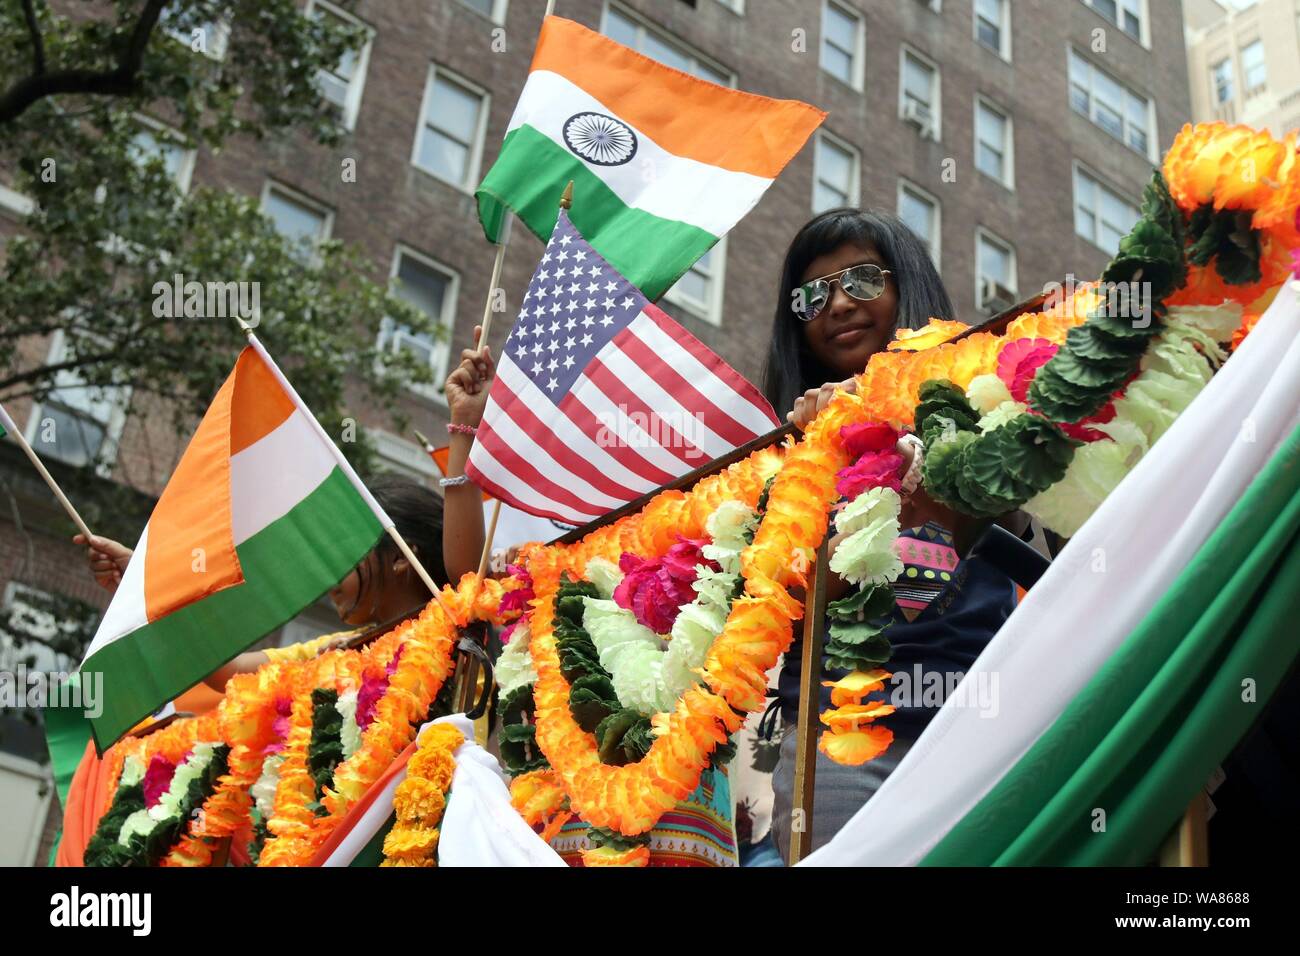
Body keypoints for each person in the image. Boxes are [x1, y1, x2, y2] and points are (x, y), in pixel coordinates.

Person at [761, 208, 1022, 862]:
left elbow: (926, 563)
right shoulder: (784, 456)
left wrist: (871, 425)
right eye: (813, 294)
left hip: (975, 729)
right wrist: (832, 449)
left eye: (862, 279)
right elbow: (813, 593)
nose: (839, 303)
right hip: (839, 740)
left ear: (906, 286)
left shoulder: (981, 396)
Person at [441, 328, 740, 866]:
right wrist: (466, 428)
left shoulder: (693, 513)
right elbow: (468, 577)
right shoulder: (543, 529)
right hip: (557, 791)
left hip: (673, 787)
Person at [74, 473, 450, 691]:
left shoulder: (459, 644)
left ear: (401, 557)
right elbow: (227, 674)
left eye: (347, 554)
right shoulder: (336, 650)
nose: (331, 576)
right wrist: (147, 587)